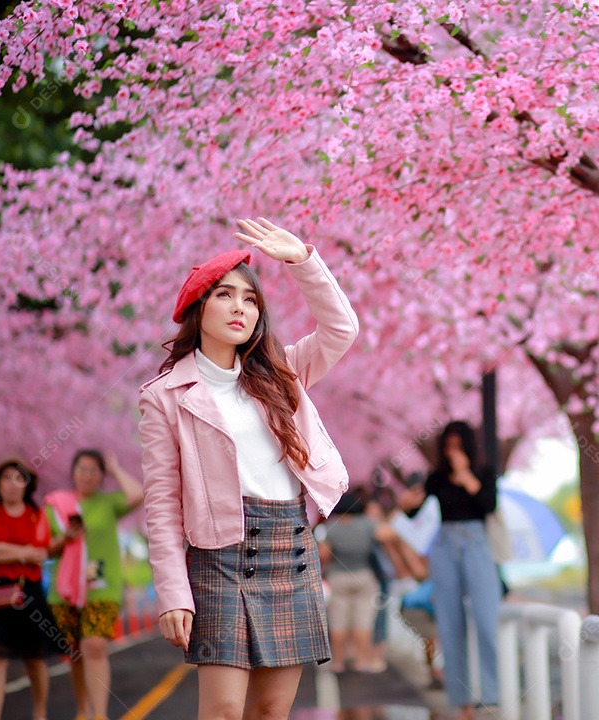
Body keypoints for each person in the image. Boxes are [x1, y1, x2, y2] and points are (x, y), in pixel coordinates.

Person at [139, 217, 357, 720]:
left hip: (292, 549)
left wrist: (303, 260)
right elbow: (162, 505)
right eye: (224, 295)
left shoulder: (282, 372)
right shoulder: (164, 397)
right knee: (221, 712)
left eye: (250, 299)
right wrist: (173, 592)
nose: (240, 307)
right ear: (198, 307)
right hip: (219, 556)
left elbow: (342, 329)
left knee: (270, 712)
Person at [399, 422, 502, 720]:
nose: (452, 451)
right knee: (450, 622)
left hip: (477, 544)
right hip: (445, 546)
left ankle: (491, 694)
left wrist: (466, 474)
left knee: (486, 619)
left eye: (458, 444)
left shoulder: (484, 472)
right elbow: (414, 509)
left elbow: (488, 504)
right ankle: (461, 700)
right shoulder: (437, 478)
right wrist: (406, 505)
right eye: (448, 445)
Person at [45, 449, 143, 720]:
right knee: (76, 652)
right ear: (72, 472)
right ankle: (82, 711)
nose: (87, 475)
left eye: (93, 470)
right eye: (82, 469)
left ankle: (99, 714)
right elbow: (46, 548)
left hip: (103, 588)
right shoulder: (55, 505)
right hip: (64, 592)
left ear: (101, 475)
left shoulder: (108, 502)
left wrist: (116, 469)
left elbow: (137, 494)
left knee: (95, 646)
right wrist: (65, 537)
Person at [0, 459, 63, 720]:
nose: (12, 485)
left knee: (34, 659)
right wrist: (21, 552)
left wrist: (3, 550)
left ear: (27, 485)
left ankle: (40, 713)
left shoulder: (38, 516)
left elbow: (39, 554)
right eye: (6, 478)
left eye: (18, 478)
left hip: (29, 593)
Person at [319, 489, 395, 673]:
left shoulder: (331, 526)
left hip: (338, 577)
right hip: (364, 576)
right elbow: (388, 534)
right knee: (363, 620)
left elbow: (323, 555)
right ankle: (362, 661)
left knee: (338, 620)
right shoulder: (367, 524)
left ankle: (338, 662)